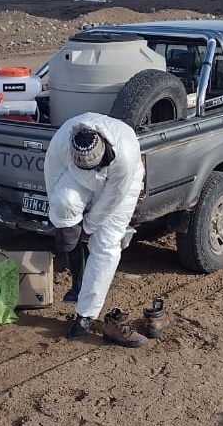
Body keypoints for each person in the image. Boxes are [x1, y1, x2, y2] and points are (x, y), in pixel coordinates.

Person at [43, 112, 149, 347]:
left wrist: (88, 227)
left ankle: (86, 315)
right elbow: (53, 181)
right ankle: (76, 282)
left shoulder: (126, 154)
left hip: (121, 186)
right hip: (76, 177)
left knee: (106, 244)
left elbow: (112, 199)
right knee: (64, 202)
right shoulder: (62, 142)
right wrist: (64, 221)